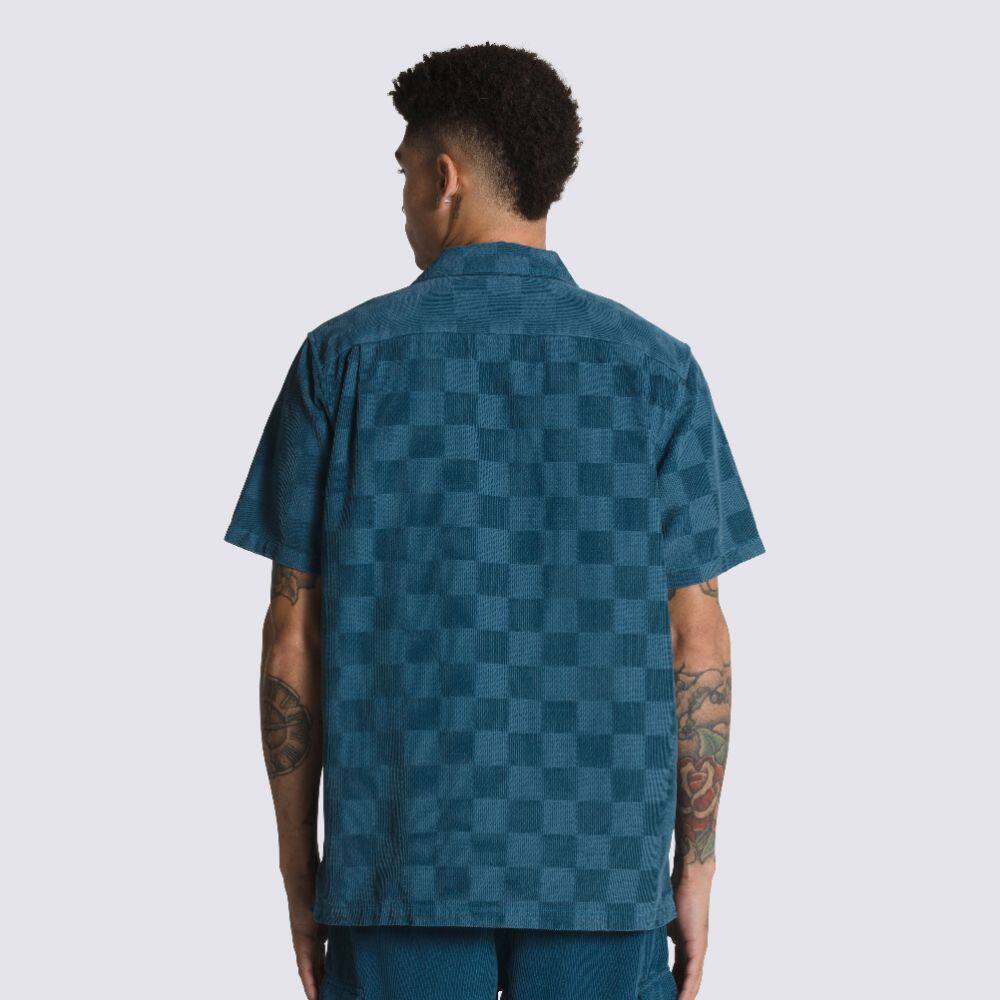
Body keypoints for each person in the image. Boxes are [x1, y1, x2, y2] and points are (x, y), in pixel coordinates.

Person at [225, 42, 764, 1000]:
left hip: (397, 870)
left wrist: (299, 870)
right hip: (601, 876)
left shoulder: (338, 364)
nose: (401, 203)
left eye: (403, 174)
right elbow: (698, 639)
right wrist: (696, 868)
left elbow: (291, 640)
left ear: (445, 178)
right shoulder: (657, 372)